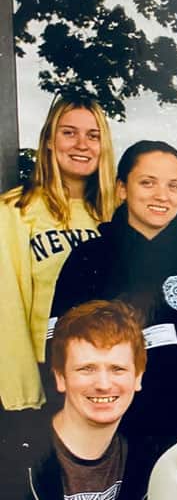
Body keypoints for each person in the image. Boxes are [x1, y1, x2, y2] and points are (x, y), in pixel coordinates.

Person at [49, 141, 177, 452]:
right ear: (122, 189)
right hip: (104, 437)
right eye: (147, 182)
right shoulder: (88, 259)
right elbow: (59, 349)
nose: (161, 195)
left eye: (173, 186)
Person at [14, 300, 154, 500]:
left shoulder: (152, 466)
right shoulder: (13, 454)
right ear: (60, 378)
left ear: (138, 377)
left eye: (117, 369)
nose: (103, 383)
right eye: (87, 368)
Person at [0, 94, 116, 414]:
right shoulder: (15, 210)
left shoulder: (116, 215)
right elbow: (7, 310)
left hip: (112, 380)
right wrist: (23, 399)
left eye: (93, 135)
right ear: (50, 141)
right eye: (69, 132)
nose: (82, 143)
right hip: (49, 376)